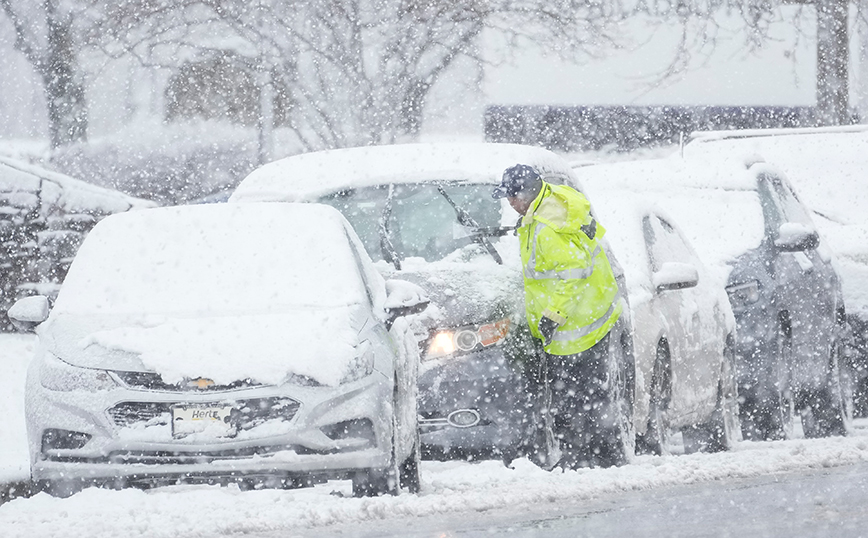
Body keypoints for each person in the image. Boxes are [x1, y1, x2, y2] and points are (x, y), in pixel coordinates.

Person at [492, 164, 628, 470]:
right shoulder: (552, 202)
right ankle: (597, 458)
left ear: (527, 194)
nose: (510, 203)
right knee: (590, 396)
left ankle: (582, 459)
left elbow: (572, 274)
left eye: (512, 197)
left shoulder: (547, 228)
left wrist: (552, 316)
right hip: (594, 310)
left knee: (574, 400)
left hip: (577, 324)